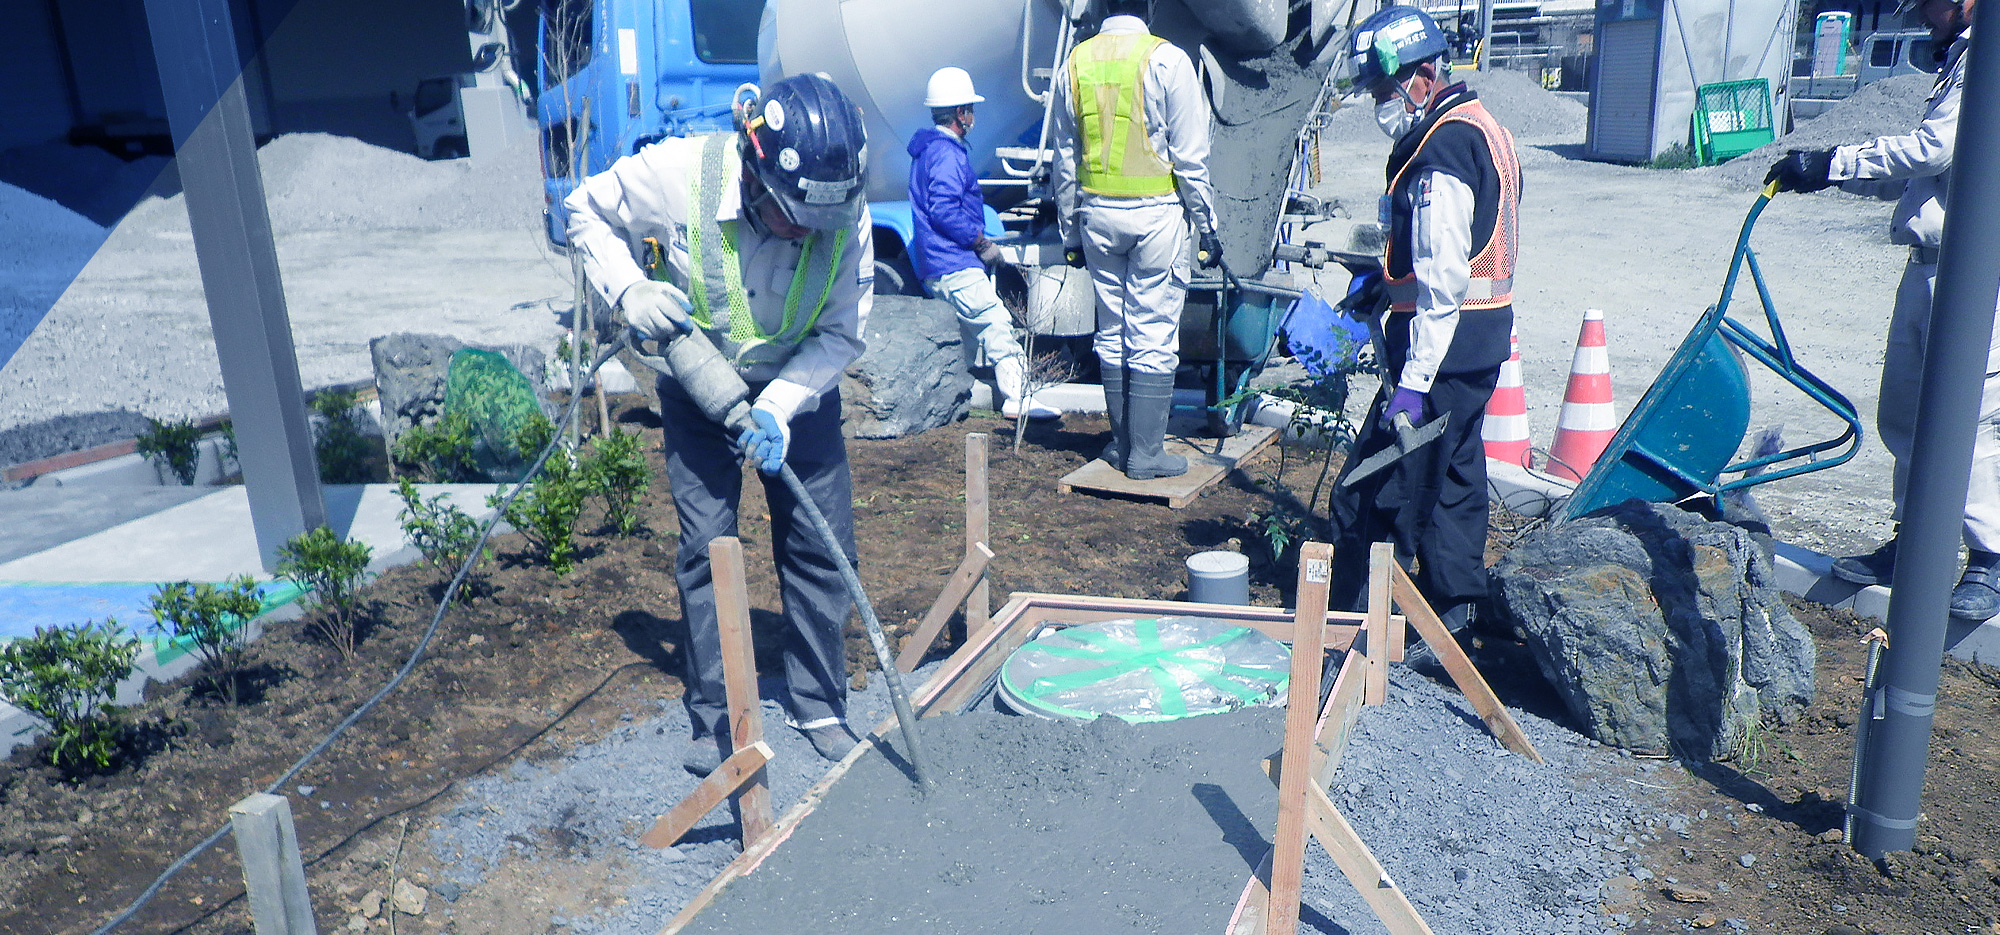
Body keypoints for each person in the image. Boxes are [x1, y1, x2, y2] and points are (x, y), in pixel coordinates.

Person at [564, 74, 874, 775]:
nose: (805, 233)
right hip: (698, 386)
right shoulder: (681, 174)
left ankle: (820, 702)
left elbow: (843, 333)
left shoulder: (840, 202)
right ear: (756, 166)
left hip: (799, 384)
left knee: (823, 546)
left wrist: (779, 404)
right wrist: (629, 287)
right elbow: (583, 208)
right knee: (708, 549)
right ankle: (716, 713)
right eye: (791, 215)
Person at [1766, 0, 1998, 621]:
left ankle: (1989, 559)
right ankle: (1914, 541)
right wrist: (1825, 174)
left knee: (1968, 419)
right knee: (1905, 409)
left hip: (1974, 274)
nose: (1922, 16)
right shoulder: (1957, 61)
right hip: (1928, 265)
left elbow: (1932, 151)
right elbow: (1920, 176)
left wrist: (1835, 159)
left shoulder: (1987, 56)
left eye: (1928, 4)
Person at [1326, 6, 1522, 654]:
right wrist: (1386, 286)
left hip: (1438, 361)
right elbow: (1464, 247)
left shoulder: (1441, 149)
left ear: (1421, 75)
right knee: (1453, 487)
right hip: (1474, 354)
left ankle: (1352, 643)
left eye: (1384, 90)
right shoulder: (1480, 126)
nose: (1379, 103)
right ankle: (1455, 623)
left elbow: (1444, 284)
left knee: (1371, 496)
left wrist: (1411, 385)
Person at [1050, 0, 1220, 480]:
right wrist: (1208, 228)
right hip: (1156, 216)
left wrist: (1070, 231)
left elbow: (1065, 158)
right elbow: (1190, 159)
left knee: (1112, 329)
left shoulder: (1075, 63)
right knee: (1152, 331)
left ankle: (1121, 444)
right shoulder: (1167, 60)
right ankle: (1146, 455)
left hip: (1097, 215)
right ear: (1148, 5)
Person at [908, 66, 1061, 420]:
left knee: (962, 338)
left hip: (938, 263)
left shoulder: (930, 150)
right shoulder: (946, 154)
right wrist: (980, 243)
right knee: (994, 321)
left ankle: (946, 403)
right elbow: (944, 209)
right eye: (970, 109)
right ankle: (1018, 397)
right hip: (955, 263)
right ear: (960, 113)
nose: (973, 116)